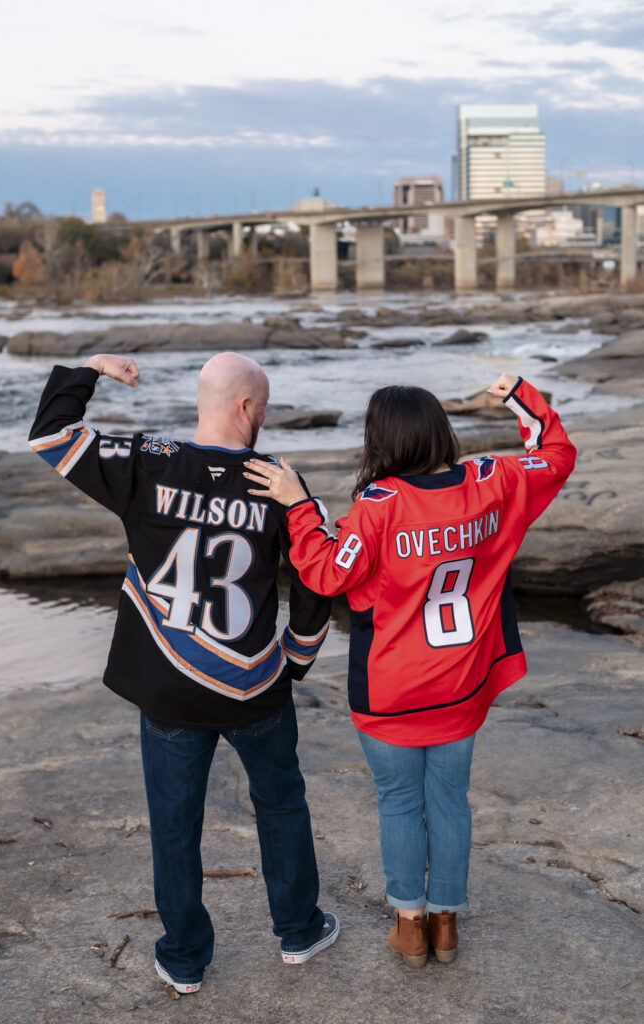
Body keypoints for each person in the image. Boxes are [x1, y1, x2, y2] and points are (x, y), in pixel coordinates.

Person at [28, 351, 338, 995]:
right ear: (248, 408)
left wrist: (88, 369)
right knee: (281, 804)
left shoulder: (148, 461)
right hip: (255, 683)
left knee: (175, 822)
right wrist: (298, 656)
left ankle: (186, 957)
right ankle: (299, 931)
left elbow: (51, 434)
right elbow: (315, 575)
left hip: (169, 685)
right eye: (265, 405)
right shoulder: (280, 481)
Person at [244, 373, 576, 968]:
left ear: (380, 442)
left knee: (399, 804)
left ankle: (410, 927)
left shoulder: (379, 506)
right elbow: (555, 455)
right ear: (440, 432)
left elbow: (323, 573)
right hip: (463, 684)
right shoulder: (492, 481)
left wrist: (297, 505)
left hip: (390, 691)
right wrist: (522, 394)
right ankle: (447, 927)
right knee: (450, 800)